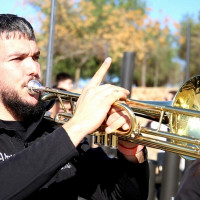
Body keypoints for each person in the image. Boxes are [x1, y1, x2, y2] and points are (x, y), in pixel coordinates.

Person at [0, 14, 149, 200]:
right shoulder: (70, 131)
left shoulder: (54, 129)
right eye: (17, 59)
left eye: (35, 57)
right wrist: (78, 125)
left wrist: (130, 150)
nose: (34, 69)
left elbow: (120, 196)